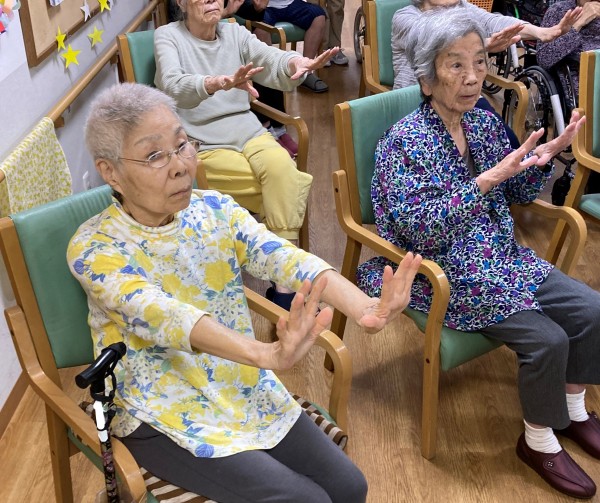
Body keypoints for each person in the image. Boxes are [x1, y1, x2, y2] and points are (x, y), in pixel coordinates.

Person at [68, 82, 422, 503]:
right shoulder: (94, 248)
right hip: (157, 408)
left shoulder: (214, 209)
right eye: (154, 156)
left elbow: (283, 258)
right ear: (110, 172)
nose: (180, 166)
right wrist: (266, 355)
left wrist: (364, 306)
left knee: (350, 487)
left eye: (182, 145)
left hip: (235, 381)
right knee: (304, 500)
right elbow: (165, 315)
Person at [359, 8, 600, 499]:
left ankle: (575, 411)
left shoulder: (484, 124)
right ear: (426, 80)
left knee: (593, 311)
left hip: (502, 257)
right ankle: (537, 440)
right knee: (547, 340)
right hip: (446, 272)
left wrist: (543, 161)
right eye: (456, 65)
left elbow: (518, 190)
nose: (473, 78)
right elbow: (415, 232)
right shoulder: (402, 143)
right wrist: (485, 181)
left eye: (479, 63)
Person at [155, 0, 337, 307]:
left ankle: (282, 285)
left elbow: (270, 57)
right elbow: (172, 85)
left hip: (248, 131)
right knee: (283, 187)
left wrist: (296, 62)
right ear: (181, 3)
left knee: (283, 170)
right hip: (202, 142)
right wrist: (215, 83)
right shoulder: (168, 36)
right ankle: (288, 285)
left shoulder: (234, 33)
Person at [391, 0, 582, 148]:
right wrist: (484, 45)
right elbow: (435, 40)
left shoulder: (462, 8)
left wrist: (542, 32)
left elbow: (494, 21)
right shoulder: (405, 18)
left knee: (507, 142)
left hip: (460, 97)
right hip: (417, 101)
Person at [254, 0, 331, 92]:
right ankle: (270, 75)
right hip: (265, 6)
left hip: (290, 3)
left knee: (318, 16)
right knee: (260, 26)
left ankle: (305, 72)